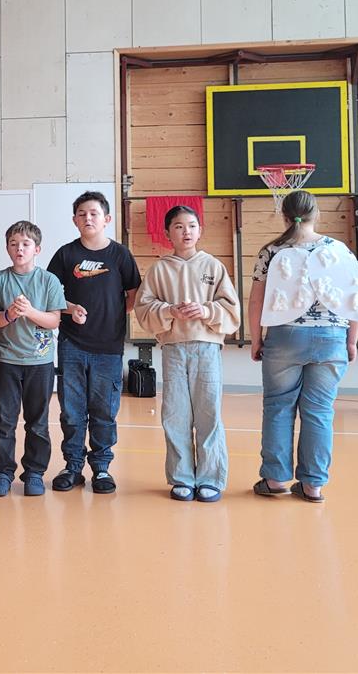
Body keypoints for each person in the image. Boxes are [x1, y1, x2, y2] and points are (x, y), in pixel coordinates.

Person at [249, 190, 358, 503]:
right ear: (316, 214)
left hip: (285, 336)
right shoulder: (339, 250)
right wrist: (351, 340)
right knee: (319, 411)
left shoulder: (271, 251)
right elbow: (354, 298)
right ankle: (313, 485)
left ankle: (275, 479)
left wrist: (256, 339)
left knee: (278, 406)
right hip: (331, 337)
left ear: (284, 216)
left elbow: (256, 301)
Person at [133, 205, 239, 502]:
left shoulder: (213, 266)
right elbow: (143, 309)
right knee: (176, 413)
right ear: (168, 233)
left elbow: (231, 310)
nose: (186, 232)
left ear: (199, 231)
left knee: (209, 412)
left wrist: (206, 311)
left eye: (191, 226)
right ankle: (181, 477)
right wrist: (170, 311)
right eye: (178, 227)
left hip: (207, 348)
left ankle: (210, 478)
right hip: (174, 348)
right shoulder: (159, 270)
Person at [47, 191, 140, 494]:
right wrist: (69, 309)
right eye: (82, 214)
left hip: (108, 349)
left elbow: (132, 295)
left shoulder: (120, 255)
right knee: (72, 412)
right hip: (71, 345)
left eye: (94, 213)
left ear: (106, 219)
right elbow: (49, 295)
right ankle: (72, 467)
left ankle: (101, 468)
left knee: (103, 411)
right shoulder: (65, 255)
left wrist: (111, 316)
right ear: (75, 220)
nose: (88, 218)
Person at [0, 221, 65, 498]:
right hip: (8, 361)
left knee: (37, 421)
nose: (19, 248)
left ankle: (34, 472)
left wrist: (29, 311)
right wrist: (9, 315)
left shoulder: (49, 281)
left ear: (37, 249)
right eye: (14, 244)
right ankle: (2, 472)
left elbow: (54, 320)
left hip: (40, 363)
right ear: (7, 248)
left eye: (26, 244)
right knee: (4, 420)